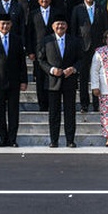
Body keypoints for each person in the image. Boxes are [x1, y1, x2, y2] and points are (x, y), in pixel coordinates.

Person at [37, 15, 85, 148]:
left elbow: (81, 59)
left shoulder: (74, 41)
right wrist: (51, 70)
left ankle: (70, 140)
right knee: (54, 113)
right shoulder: (46, 41)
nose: (60, 27)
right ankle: (54, 140)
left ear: (66, 26)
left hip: (69, 81)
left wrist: (74, 69)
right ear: (53, 26)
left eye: (62, 24)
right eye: (57, 24)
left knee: (70, 112)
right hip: (53, 82)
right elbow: (41, 60)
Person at [0, 13, 29, 147]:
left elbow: (22, 62)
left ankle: (12, 139)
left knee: (14, 111)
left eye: (7, 23)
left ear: (11, 25)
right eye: (2, 23)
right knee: (0, 111)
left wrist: (24, 80)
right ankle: (3, 138)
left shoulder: (17, 39)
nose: (5, 26)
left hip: (14, 81)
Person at [70, 0, 108, 113]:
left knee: (98, 77)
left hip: (98, 49)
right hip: (82, 48)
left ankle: (97, 104)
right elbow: (73, 29)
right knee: (83, 77)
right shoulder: (77, 9)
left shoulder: (102, 9)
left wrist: (105, 47)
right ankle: (84, 104)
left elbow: (106, 29)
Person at [26, 0, 54, 112]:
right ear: (38, 0)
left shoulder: (56, 13)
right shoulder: (33, 14)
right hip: (38, 52)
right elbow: (29, 34)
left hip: (54, 51)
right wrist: (30, 51)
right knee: (40, 79)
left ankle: (52, 103)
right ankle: (42, 105)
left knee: (52, 78)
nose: (44, 0)